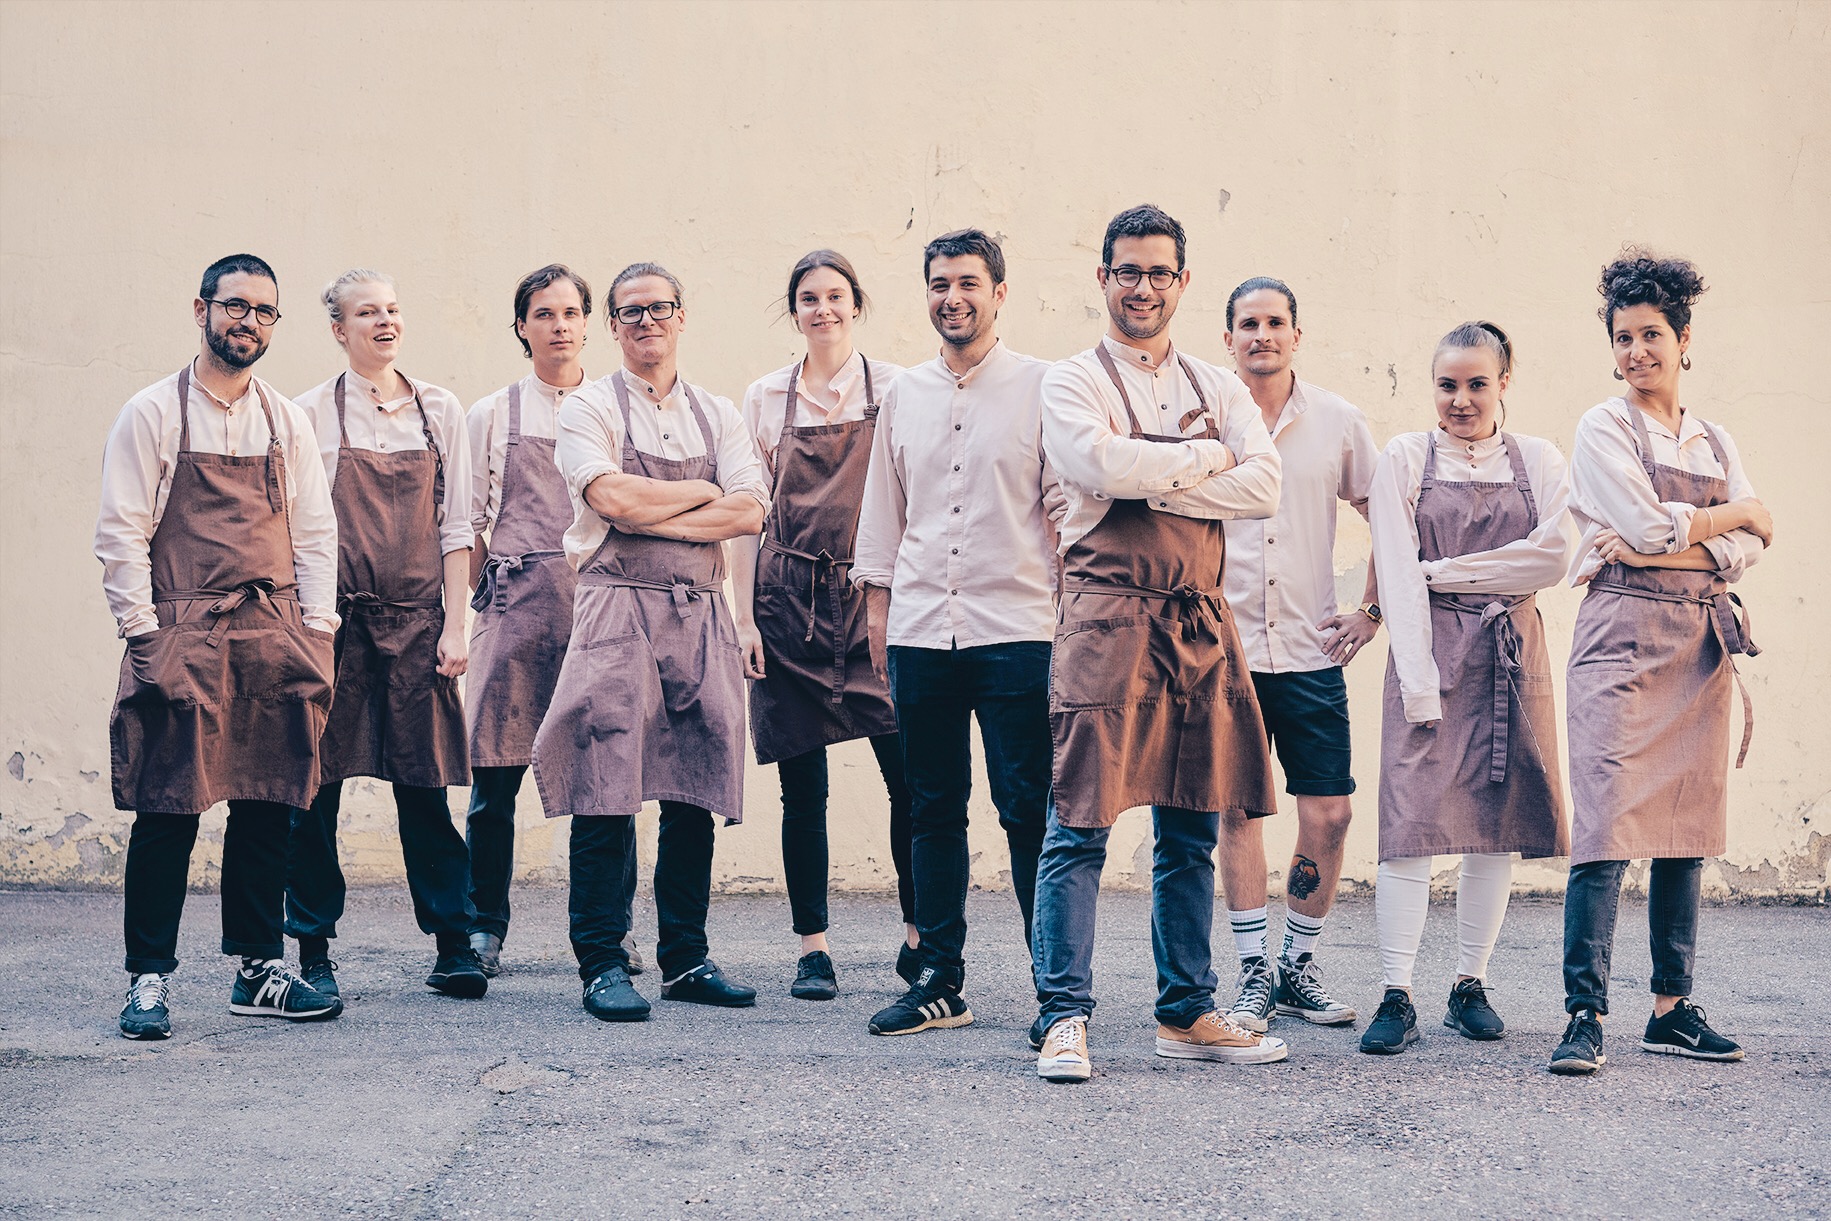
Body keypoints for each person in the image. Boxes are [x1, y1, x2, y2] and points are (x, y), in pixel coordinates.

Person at [1031, 205, 1286, 1083]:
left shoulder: (1219, 385)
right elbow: (1094, 467)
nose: (1143, 287)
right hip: (1104, 618)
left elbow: (1265, 485)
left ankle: (1185, 1008)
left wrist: (1155, 472)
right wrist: (1203, 460)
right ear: (1102, 278)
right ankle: (1061, 1016)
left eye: (1159, 273)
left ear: (1182, 281)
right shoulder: (1070, 380)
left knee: (1189, 825)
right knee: (1080, 821)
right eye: (1127, 271)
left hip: (1197, 622)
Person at [98, 253, 342, 1038]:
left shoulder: (284, 418)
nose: (249, 322)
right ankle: (147, 979)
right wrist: (144, 635)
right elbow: (121, 532)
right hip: (183, 632)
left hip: (273, 632)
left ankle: (256, 969)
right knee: (168, 807)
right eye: (235, 306)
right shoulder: (154, 412)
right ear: (200, 309)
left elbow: (314, 532)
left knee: (269, 801)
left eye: (265, 311)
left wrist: (320, 632)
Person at [1549, 250, 1771, 1075]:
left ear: (1683, 339)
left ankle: (1670, 1009)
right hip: (1619, 641)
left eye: (1651, 333)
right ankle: (1584, 1012)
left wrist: (1695, 536)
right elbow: (1656, 535)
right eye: (1622, 336)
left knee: (1687, 825)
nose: (1637, 350)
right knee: (1605, 825)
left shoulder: (1715, 438)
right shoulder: (1601, 427)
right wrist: (1732, 514)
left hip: (1697, 645)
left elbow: (1745, 549)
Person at [533, 262, 768, 1022]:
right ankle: (601, 961)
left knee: (693, 784)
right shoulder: (588, 407)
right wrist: (703, 494)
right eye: (629, 312)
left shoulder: (717, 411)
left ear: (680, 316)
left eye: (658, 308)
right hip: (615, 609)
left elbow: (750, 510)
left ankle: (685, 958)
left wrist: (657, 513)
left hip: (698, 610)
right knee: (605, 786)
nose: (645, 323)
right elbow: (609, 496)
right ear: (612, 326)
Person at [853, 229, 1063, 1038]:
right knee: (930, 807)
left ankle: (1056, 984)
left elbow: (1064, 514)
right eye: (939, 283)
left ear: (999, 293)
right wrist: (878, 612)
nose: (953, 297)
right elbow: (883, 510)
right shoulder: (903, 393)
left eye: (968, 282)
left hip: (1015, 630)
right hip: (919, 634)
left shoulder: (1044, 387)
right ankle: (938, 975)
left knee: (1026, 810)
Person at [1360, 321, 1572, 1055]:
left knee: (1494, 822)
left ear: (1503, 383)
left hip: (1509, 654)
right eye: (1447, 384)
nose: (1460, 399)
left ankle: (1467, 984)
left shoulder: (1539, 459)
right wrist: (1419, 684)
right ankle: (1396, 992)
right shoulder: (1404, 458)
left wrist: (1443, 571)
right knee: (1410, 823)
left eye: (1476, 383)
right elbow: (1394, 568)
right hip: (1427, 648)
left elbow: (1551, 558)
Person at [287, 270, 484, 1001]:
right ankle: (312, 949)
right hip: (334, 625)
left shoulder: (440, 409)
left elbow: (458, 526)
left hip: (418, 623)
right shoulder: (309, 412)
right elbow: (299, 529)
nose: (384, 321)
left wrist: (457, 623)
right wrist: (306, 630)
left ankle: (454, 942)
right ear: (339, 330)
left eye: (393, 308)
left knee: (425, 787)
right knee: (315, 790)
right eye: (367, 311)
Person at [734, 251, 913, 1001]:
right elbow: (746, 517)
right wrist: (741, 614)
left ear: (856, 305)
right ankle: (813, 946)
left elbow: (913, 492)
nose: (822, 310)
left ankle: (919, 933)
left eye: (835, 296)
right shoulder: (765, 396)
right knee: (801, 791)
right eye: (808, 298)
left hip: (877, 603)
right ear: (794, 310)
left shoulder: (897, 388)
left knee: (910, 781)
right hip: (789, 607)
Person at [462, 264, 642, 978]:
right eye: (543, 313)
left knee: (607, 782)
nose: (559, 325)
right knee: (493, 783)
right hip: (514, 611)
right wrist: (466, 615)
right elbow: (468, 524)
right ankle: (482, 929)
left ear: (589, 324)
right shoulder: (493, 414)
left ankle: (610, 932)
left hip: (601, 609)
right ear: (521, 326)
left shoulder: (615, 408)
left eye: (571, 312)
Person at [1216, 276, 1381, 1033]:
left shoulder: (1338, 422)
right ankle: (1251, 971)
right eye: (1247, 323)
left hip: (1312, 654)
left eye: (1275, 321)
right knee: (1238, 812)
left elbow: (1390, 516)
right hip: (1227, 657)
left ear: (1295, 334)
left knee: (1331, 813)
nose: (1262, 334)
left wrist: (1370, 609)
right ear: (1228, 339)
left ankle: (1295, 963)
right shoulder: (1204, 418)